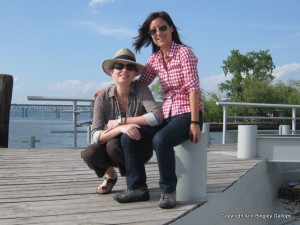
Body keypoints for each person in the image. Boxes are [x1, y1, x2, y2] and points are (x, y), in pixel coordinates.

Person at [133, 11, 204, 209]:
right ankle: (136, 187)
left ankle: (168, 191)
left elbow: (193, 88)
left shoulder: (184, 53)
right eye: (153, 31)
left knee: (161, 140)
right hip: (168, 114)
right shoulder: (155, 59)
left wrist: (195, 122)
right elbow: (140, 84)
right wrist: (110, 89)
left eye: (162, 27)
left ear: (171, 28)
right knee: (131, 135)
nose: (158, 33)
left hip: (189, 112)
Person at [81, 48, 162, 203]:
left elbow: (157, 116)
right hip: (113, 147)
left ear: (135, 73)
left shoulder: (142, 90)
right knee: (89, 153)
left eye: (130, 67)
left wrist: (123, 121)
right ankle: (111, 176)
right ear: (112, 71)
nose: (124, 70)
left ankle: (136, 185)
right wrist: (119, 129)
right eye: (119, 66)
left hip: (138, 147)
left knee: (114, 145)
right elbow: (95, 135)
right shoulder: (102, 97)